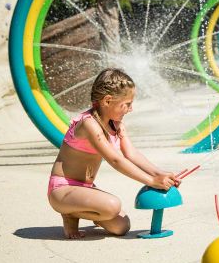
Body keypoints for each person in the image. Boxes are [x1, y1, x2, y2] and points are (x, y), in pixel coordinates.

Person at [47, 68, 180, 239]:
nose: (130, 109)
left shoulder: (116, 124)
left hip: (85, 189)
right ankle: (70, 214)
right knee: (113, 205)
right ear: (107, 101)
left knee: (121, 227)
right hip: (62, 190)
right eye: (127, 104)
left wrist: (160, 174)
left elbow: (131, 153)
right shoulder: (89, 125)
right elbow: (115, 160)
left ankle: (78, 211)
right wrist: (151, 181)